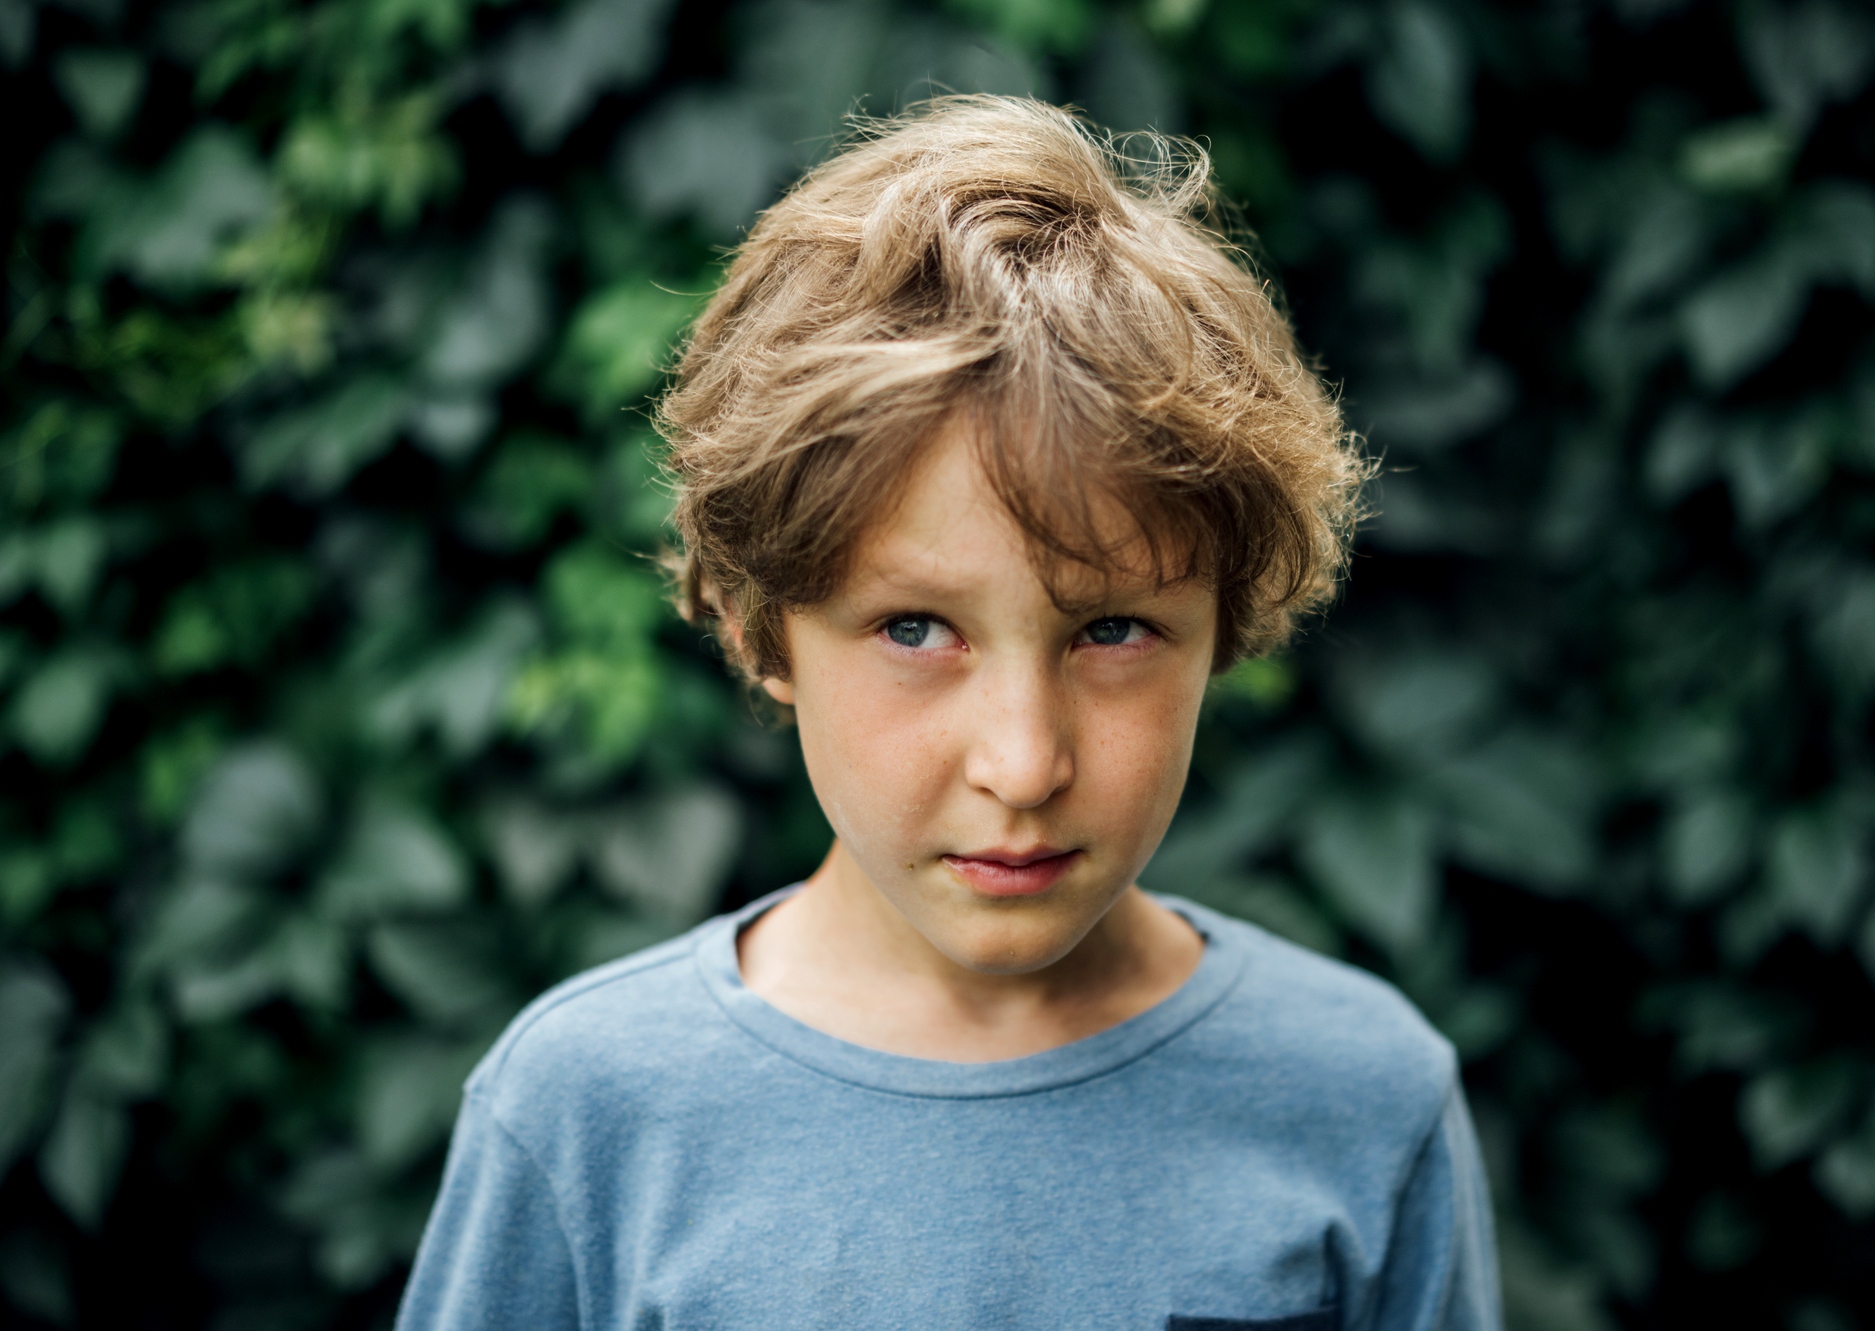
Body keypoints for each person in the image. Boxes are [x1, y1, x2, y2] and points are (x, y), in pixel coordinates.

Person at [396, 95, 1500, 1331]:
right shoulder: (584, 1110)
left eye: (1111, 631)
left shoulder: (1359, 1096)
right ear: (764, 629)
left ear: (1224, 628)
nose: (1023, 763)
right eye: (915, 629)